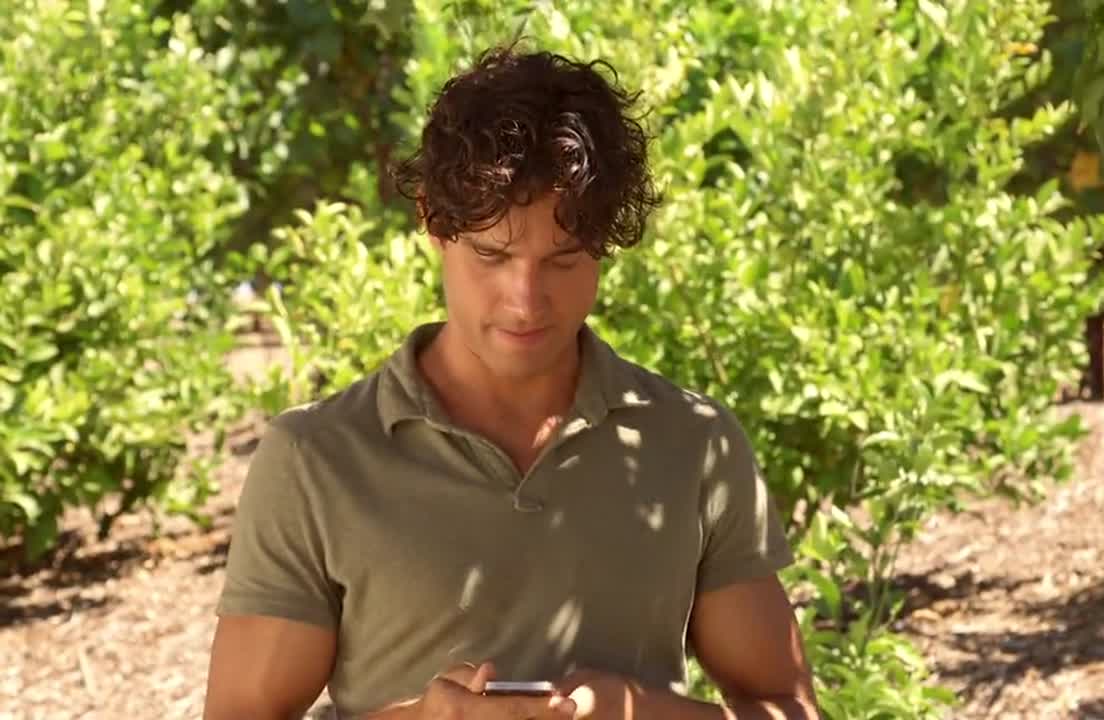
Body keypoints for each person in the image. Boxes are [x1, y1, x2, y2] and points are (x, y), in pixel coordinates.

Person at [203, 43, 818, 720]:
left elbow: (789, 709)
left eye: (563, 259)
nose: (525, 301)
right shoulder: (315, 459)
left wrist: (638, 711)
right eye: (493, 254)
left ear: (604, 245)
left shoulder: (692, 444)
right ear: (433, 224)